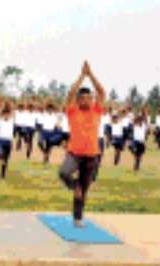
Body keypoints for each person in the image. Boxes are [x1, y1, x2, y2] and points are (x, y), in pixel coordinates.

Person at [58, 61, 105, 228]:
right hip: (74, 154)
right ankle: (74, 185)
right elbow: (70, 94)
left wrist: (90, 74)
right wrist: (81, 76)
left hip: (92, 155)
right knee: (64, 173)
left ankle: (78, 218)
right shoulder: (72, 111)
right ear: (78, 101)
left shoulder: (97, 111)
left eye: (89, 98)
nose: (86, 101)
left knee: (84, 191)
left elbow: (101, 91)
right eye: (83, 98)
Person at [0, 99, 15, 179]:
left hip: (8, 141)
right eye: (4, 114)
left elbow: (13, 111)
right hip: (0, 140)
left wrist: (8, 105)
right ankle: (1, 159)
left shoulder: (12, 120)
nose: (6, 116)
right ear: (2, 114)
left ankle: (2, 174)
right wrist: (2, 106)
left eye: (8, 114)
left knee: (6, 159)